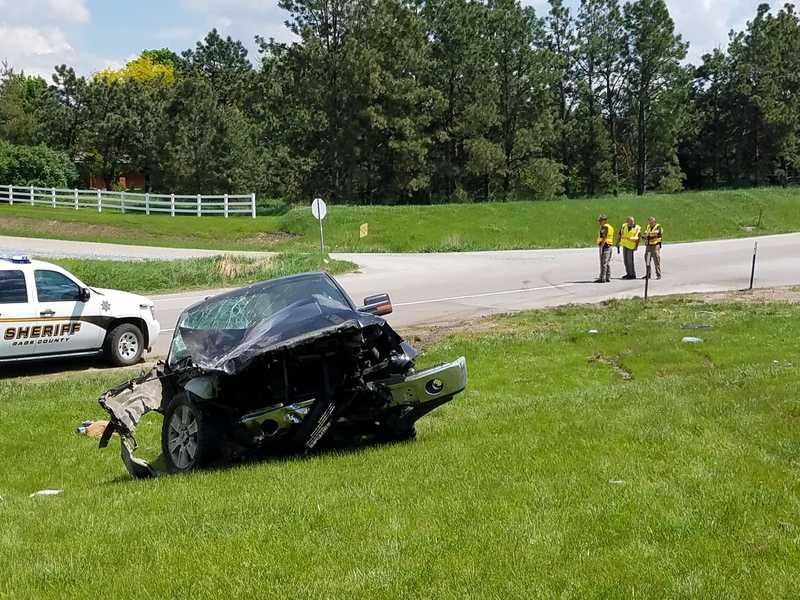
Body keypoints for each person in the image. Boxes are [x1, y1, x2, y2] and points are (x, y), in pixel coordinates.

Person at [595, 215, 614, 283]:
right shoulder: (610, 227)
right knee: (607, 263)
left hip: (605, 246)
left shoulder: (604, 227)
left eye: (600, 220)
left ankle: (602, 278)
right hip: (609, 245)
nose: (599, 222)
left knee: (603, 263)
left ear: (604, 220)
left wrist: (601, 246)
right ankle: (608, 277)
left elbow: (604, 237)